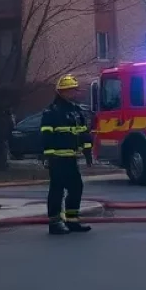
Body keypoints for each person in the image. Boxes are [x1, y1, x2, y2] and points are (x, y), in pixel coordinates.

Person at [41, 74, 93, 235]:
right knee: (57, 189)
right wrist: (49, 156)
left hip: (71, 157)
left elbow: (84, 133)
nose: (73, 93)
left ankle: (72, 220)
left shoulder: (76, 111)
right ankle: (55, 222)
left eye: (74, 90)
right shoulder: (52, 112)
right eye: (69, 91)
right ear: (61, 92)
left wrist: (87, 151)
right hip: (57, 158)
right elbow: (46, 135)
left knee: (76, 187)